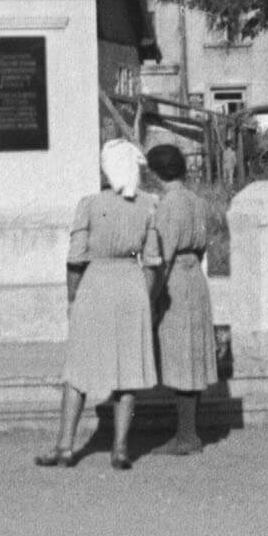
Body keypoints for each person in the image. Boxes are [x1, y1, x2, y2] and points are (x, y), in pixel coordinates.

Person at [37, 139, 158, 470]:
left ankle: (65, 446)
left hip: (96, 285)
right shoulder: (149, 204)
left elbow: (75, 258)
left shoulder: (89, 204)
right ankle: (120, 449)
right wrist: (145, 298)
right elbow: (152, 261)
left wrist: (72, 297)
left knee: (78, 369)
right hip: (131, 286)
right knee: (128, 371)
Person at [147, 142, 224, 456]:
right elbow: (202, 245)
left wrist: (153, 296)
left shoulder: (168, 204)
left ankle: (186, 435)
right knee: (192, 353)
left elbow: (163, 256)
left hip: (175, 279)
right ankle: (189, 431)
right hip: (195, 277)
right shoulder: (197, 201)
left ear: (156, 173)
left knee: (180, 355)